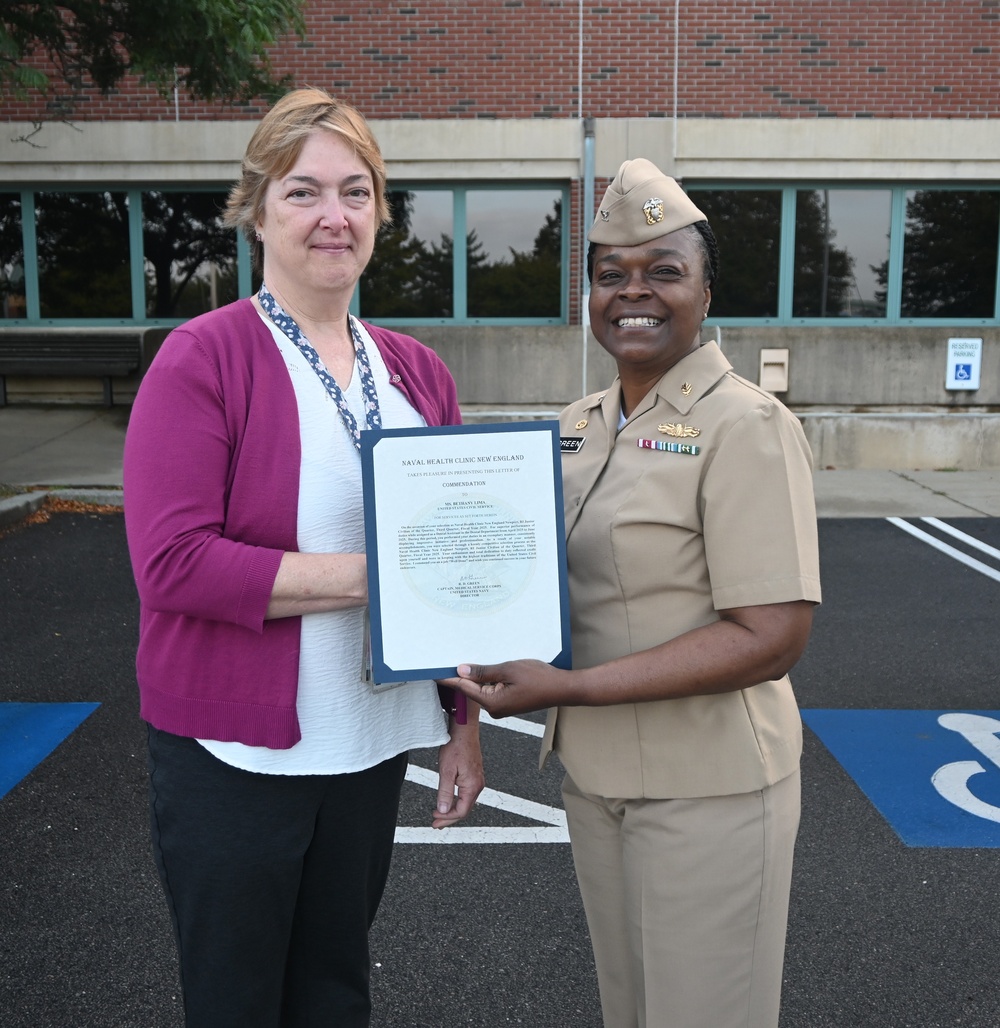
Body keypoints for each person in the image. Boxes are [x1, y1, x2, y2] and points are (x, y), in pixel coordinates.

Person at [122, 87, 484, 1028]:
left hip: (367, 746)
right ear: (257, 209)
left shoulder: (418, 372)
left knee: (334, 993)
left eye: (356, 193)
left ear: (381, 213)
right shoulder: (203, 358)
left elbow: (457, 574)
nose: (334, 217)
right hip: (234, 755)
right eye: (304, 191)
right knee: (237, 1003)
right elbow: (173, 564)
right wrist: (380, 578)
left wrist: (464, 723)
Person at [449, 159, 821, 1028]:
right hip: (599, 776)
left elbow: (772, 636)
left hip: (710, 790)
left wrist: (567, 688)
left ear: (705, 289)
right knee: (631, 1012)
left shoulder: (748, 426)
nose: (633, 293)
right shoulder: (578, 426)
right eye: (610, 275)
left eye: (663, 270)